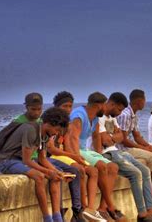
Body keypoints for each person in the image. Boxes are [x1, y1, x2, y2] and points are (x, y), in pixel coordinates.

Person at [11, 93, 86, 222]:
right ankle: (58, 214)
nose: (36, 112)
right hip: (25, 158)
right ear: (26, 108)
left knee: (72, 171)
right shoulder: (19, 122)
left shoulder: (43, 123)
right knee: (54, 173)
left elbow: (43, 153)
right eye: (32, 109)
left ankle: (77, 211)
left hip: (41, 157)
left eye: (39, 109)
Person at [97, 92, 152, 222]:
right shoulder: (100, 118)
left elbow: (119, 137)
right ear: (112, 104)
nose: (119, 114)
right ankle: (142, 215)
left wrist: (113, 138)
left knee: (145, 170)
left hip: (118, 152)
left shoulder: (112, 118)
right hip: (108, 153)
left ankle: (150, 209)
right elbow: (106, 141)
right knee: (135, 174)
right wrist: (114, 138)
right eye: (119, 109)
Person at [0, 106, 70, 222]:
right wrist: (48, 171)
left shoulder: (45, 135)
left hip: (19, 160)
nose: (56, 134)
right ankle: (47, 218)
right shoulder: (31, 130)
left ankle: (57, 217)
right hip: (6, 160)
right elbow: (27, 161)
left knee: (56, 177)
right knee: (39, 177)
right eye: (57, 130)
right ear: (48, 123)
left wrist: (58, 172)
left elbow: (43, 159)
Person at [66, 92, 125, 221]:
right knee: (101, 167)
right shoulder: (79, 116)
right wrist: (77, 159)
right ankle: (101, 208)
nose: (106, 108)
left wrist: (99, 154)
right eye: (105, 105)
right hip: (74, 150)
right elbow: (73, 139)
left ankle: (103, 209)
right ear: (99, 105)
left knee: (113, 167)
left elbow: (96, 136)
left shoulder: (95, 118)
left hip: (85, 150)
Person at [47, 92, 103, 222]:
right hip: (52, 156)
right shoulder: (51, 121)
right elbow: (51, 148)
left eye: (70, 106)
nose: (68, 109)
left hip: (62, 154)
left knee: (92, 171)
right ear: (56, 106)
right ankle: (79, 209)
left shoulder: (66, 123)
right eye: (64, 106)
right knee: (78, 170)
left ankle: (86, 209)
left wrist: (76, 156)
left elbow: (67, 144)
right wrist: (74, 157)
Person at [116, 89, 152, 202]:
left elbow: (137, 136)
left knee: (151, 155)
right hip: (121, 149)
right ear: (139, 101)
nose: (145, 102)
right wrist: (142, 148)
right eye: (144, 100)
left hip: (128, 148)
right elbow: (123, 140)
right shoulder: (125, 115)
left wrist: (148, 146)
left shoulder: (133, 116)